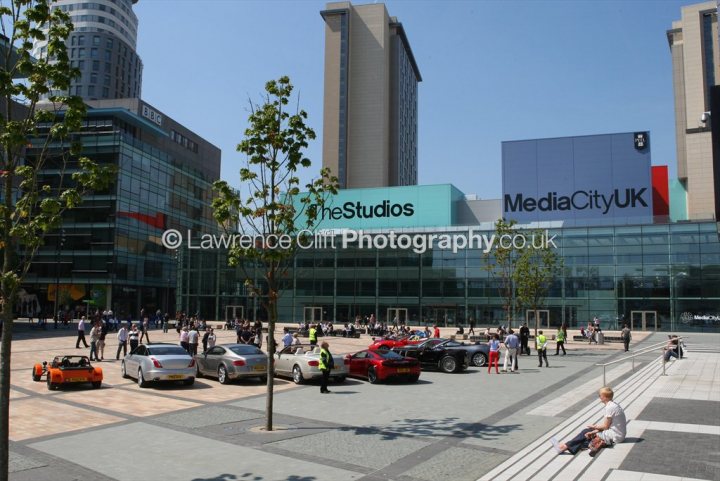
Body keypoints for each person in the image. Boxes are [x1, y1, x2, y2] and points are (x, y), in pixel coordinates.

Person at [551, 386, 626, 456]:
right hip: (617, 434)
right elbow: (608, 425)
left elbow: (605, 426)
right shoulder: (613, 405)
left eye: (600, 395)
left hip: (615, 436)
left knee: (586, 432)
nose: (599, 397)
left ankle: (563, 447)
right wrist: (594, 430)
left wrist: (594, 428)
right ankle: (566, 447)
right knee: (586, 437)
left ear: (605, 397)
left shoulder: (610, 407)